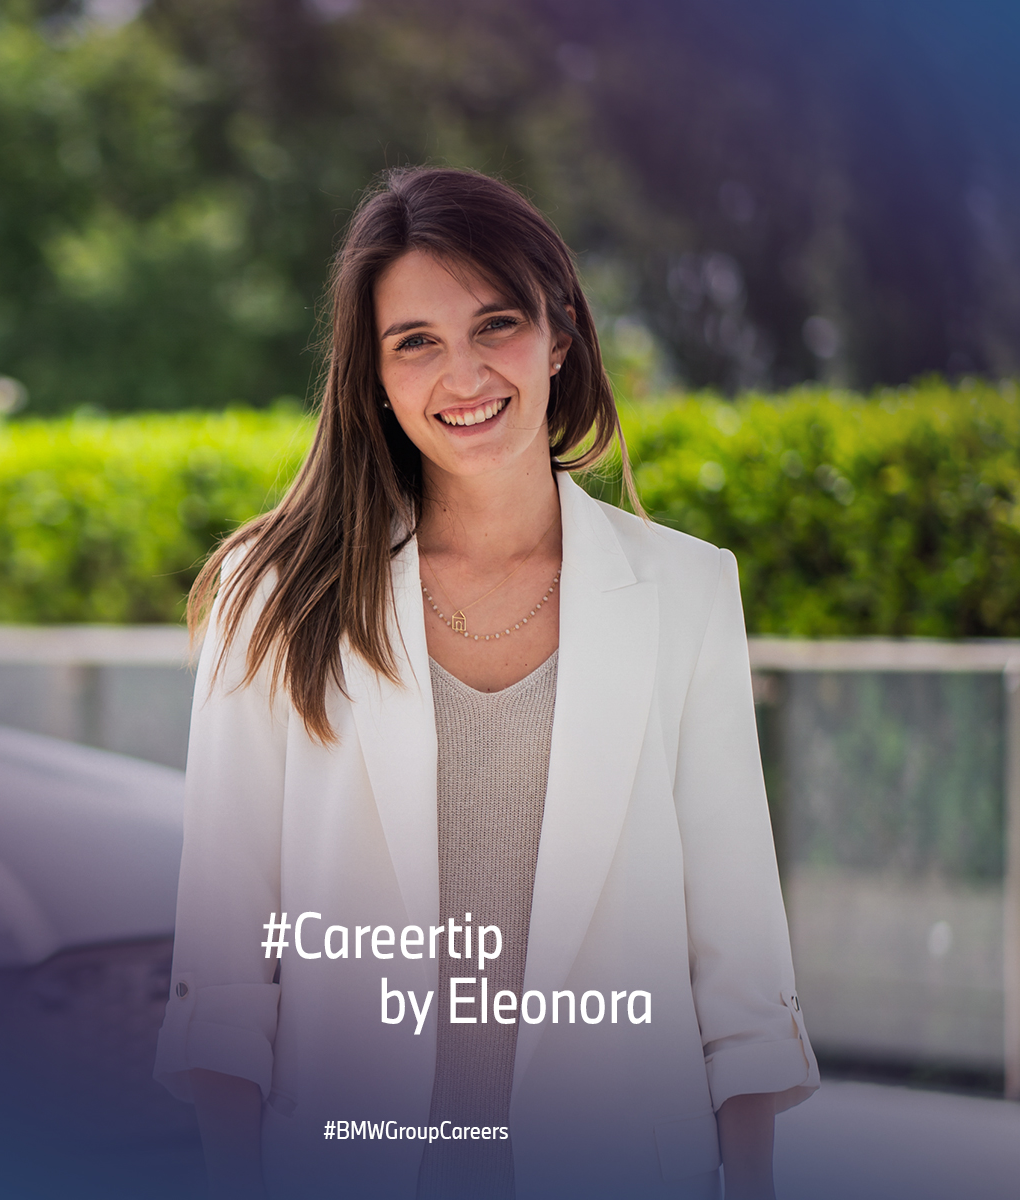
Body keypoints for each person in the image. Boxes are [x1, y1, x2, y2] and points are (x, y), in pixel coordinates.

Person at [154, 166, 818, 1200]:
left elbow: (737, 957)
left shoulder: (686, 589)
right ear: (371, 375)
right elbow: (228, 964)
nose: (462, 375)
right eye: (415, 341)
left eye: (494, 325)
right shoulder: (274, 595)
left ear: (559, 337)